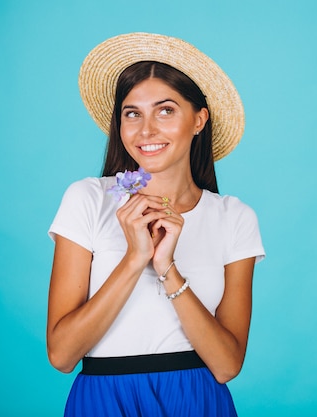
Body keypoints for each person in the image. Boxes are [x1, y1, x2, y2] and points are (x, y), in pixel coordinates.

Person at [47, 32, 265, 417]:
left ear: (199, 119)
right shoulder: (88, 199)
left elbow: (228, 364)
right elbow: (63, 355)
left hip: (196, 401)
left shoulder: (234, 217)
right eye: (132, 113)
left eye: (165, 110)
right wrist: (135, 258)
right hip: (104, 402)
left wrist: (167, 269)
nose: (146, 130)